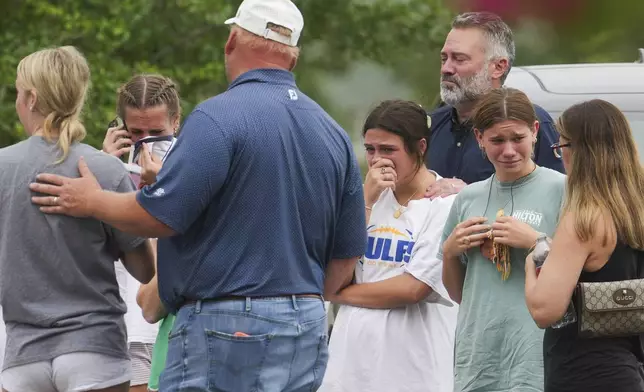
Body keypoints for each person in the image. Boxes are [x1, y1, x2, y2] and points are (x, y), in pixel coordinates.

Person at [28, 1, 367, 391]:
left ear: (232, 41)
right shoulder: (333, 132)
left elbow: (159, 216)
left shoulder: (217, 118)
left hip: (225, 323)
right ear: (293, 58)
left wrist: (91, 200)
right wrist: (295, 300)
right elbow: (347, 254)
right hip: (306, 321)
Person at [0, 46, 155, 392]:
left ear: (32, 98)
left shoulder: (2, 168)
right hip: (94, 350)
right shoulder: (105, 168)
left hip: (22, 355)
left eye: (18, 93)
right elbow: (145, 271)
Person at [319, 100, 458, 392]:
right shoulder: (360, 201)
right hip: (349, 365)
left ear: (420, 147)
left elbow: (412, 289)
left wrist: (339, 294)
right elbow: (331, 277)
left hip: (414, 367)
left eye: (388, 150)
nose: (377, 160)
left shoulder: (445, 203)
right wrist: (365, 203)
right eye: (370, 149)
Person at [440, 87, 566, 391]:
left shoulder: (563, 190)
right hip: (479, 355)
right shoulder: (468, 198)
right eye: (497, 140)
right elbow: (459, 294)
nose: (508, 150)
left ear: (535, 132)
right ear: (480, 138)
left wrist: (537, 241)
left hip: (536, 354)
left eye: (517, 139)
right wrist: (450, 251)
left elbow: (579, 275)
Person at [525, 100, 644, 392]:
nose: (561, 155)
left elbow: (545, 310)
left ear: (579, 151)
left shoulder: (584, 221)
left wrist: (534, 259)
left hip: (584, 372)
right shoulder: (637, 209)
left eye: (561, 146)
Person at [425, 11, 564, 199]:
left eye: (459, 59)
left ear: (498, 67)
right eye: (444, 58)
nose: (446, 69)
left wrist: (471, 194)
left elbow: (555, 199)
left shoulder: (530, 122)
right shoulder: (430, 124)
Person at [105, 74, 181, 392]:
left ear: (176, 122)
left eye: (157, 133)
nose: (146, 142)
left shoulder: (192, 170)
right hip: (118, 325)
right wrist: (105, 170)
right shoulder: (106, 170)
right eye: (136, 133)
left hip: (163, 327)